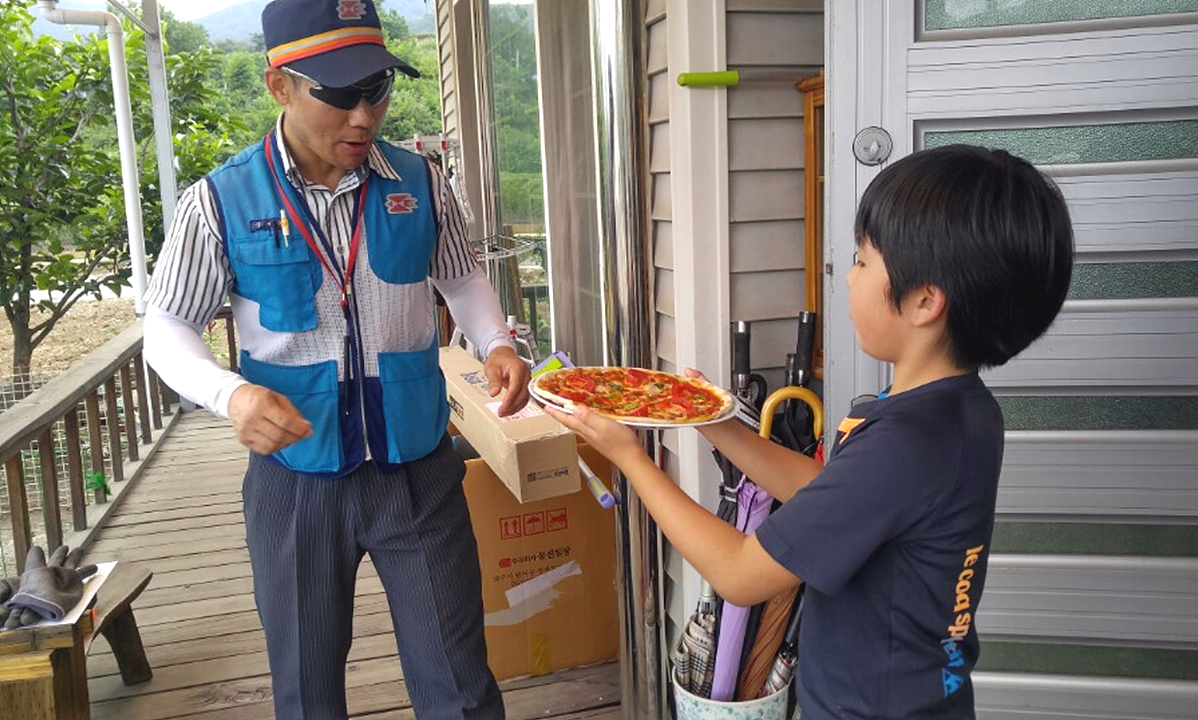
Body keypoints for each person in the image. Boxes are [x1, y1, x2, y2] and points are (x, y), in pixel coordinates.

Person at [548, 145, 1075, 719]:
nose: (847, 275)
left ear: (924, 301)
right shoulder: (958, 412)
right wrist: (716, 424)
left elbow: (739, 574)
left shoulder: (907, 445)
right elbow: (829, 493)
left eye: (863, 260)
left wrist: (630, 457)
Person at [142, 0, 526, 717]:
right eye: (340, 94)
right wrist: (230, 395)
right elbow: (165, 326)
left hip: (417, 468)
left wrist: (497, 341)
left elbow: (463, 277)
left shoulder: (421, 181)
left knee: (460, 685)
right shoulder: (219, 202)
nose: (363, 117)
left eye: (376, 89)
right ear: (278, 85)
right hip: (296, 483)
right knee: (307, 687)